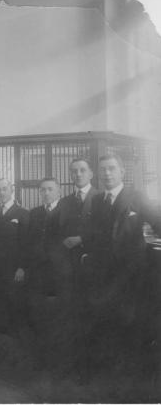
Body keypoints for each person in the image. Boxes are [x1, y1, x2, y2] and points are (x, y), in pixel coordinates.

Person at [82, 154, 161, 380]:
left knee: (130, 323)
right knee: (106, 322)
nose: (107, 173)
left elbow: (158, 223)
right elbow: (92, 234)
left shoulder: (136, 197)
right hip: (102, 275)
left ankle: (131, 375)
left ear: (122, 172)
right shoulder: (97, 201)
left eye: (112, 169)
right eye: (103, 169)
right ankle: (109, 374)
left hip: (131, 275)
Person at [57, 157, 99, 381]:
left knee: (90, 317)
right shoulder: (64, 202)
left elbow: (106, 233)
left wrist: (82, 239)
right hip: (68, 270)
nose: (78, 174)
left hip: (94, 268)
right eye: (74, 171)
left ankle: (90, 368)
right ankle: (71, 366)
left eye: (83, 170)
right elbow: (56, 234)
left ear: (91, 173)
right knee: (69, 317)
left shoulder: (101, 199)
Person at [26, 177, 71, 372]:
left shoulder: (67, 212)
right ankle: (40, 360)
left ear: (59, 191)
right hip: (38, 273)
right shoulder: (34, 213)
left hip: (60, 272)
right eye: (42, 190)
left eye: (50, 189)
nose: (46, 193)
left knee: (60, 316)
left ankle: (59, 361)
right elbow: (29, 241)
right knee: (39, 315)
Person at [0, 178, 29, 337]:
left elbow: (26, 243)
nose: (1, 192)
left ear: (11, 190)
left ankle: (15, 342)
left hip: (14, 268)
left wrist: (22, 267)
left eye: (4, 189)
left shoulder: (23, 213)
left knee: (14, 303)